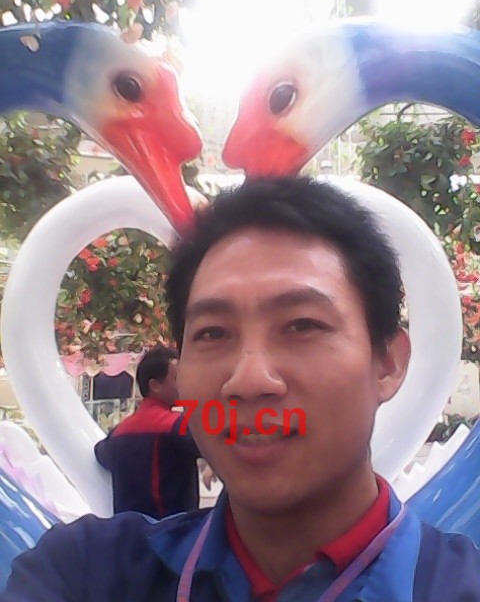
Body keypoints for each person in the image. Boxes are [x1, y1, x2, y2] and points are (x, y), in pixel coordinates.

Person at [2, 176, 480, 601]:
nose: (249, 380)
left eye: (302, 325)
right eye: (212, 333)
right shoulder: (84, 573)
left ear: (388, 364)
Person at [94, 344, 201, 519]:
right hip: (173, 529)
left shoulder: (118, 433)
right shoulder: (176, 426)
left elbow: (100, 453)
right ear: (155, 386)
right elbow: (221, 443)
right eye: (178, 378)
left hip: (128, 531)